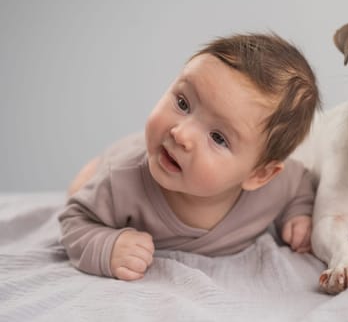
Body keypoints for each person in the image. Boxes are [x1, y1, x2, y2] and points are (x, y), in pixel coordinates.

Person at [58, 33, 320, 281]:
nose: (180, 134)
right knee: (80, 187)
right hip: (121, 155)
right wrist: (107, 247)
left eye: (218, 137)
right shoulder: (122, 180)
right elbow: (75, 220)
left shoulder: (276, 188)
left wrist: (298, 214)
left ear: (258, 175)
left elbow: (300, 185)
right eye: (183, 103)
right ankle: (93, 166)